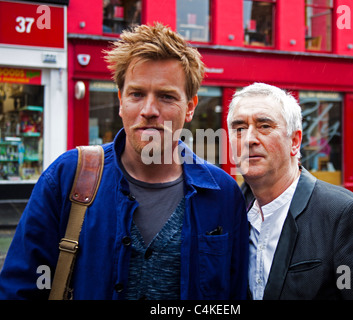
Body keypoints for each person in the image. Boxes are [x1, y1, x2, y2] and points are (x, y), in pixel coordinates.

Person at [0, 23, 248, 300]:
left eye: (167, 96)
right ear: (120, 101)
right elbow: (20, 287)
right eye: (137, 94)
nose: (149, 110)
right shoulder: (68, 175)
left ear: (190, 107)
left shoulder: (224, 194)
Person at [228, 82, 353, 300]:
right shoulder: (228, 211)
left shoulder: (346, 216)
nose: (249, 139)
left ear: (294, 141)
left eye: (264, 126)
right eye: (239, 129)